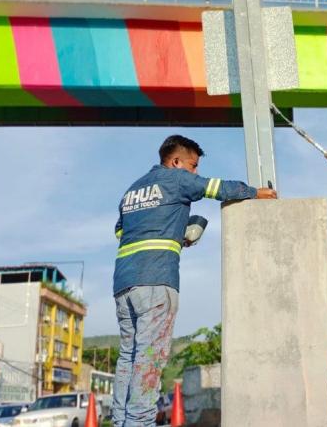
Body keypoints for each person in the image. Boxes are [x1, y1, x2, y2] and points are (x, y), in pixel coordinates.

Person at [111, 135, 277, 426]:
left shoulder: (131, 190)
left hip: (124, 284)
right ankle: (140, 422)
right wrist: (255, 192)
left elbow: (120, 233)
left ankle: (122, 421)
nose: (195, 172)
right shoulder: (175, 179)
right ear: (176, 162)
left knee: (129, 357)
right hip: (157, 280)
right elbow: (217, 188)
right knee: (149, 358)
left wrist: (174, 232)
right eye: (192, 165)